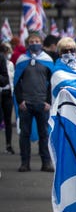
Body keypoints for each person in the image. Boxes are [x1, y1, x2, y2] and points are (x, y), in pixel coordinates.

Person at [14, 32, 54, 172]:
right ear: (27, 44)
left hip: (43, 104)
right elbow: (17, 82)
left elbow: (52, 83)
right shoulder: (21, 60)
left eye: (37, 41)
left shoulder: (47, 60)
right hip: (26, 104)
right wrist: (20, 100)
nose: (34, 43)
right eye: (31, 41)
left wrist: (48, 101)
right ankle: (25, 163)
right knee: (24, 135)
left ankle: (46, 163)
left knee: (44, 135)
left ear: (41, 43)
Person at [0, 42, 14, 154]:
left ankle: (9, 145)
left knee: (8, 120)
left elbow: (9, 79)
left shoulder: (10, 64)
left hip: (8, 93)